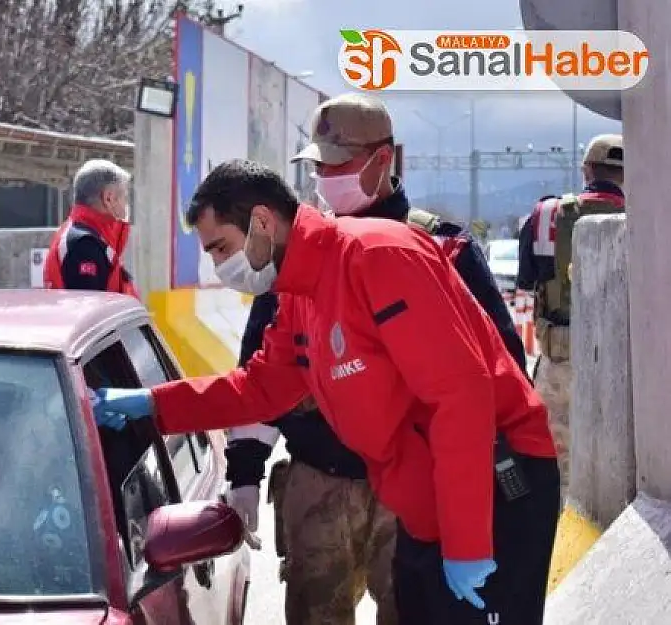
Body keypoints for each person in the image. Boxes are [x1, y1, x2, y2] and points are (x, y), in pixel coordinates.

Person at [90, 159, 561, 624]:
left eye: (220, 248)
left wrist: (468, 542)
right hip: (425, 504)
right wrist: (153, 404)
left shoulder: (378, 256)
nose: (218, 268)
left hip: (493, 486)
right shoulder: (299, 293)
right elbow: (260, 387)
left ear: (262, 222)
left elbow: (462, 397)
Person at [219, 93, 532, 625]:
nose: (324, 177)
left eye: (337, 164)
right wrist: (245, 470)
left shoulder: (444, 250)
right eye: (317, 165)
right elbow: (263, 373)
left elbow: (503, 371)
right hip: (319, 483)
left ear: (383, 160)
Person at [517, 133, 625, 495]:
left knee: (557, 480)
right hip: (626, 367)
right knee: (619, 480)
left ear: (586, 170)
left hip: (561, 360)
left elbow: (527, 280)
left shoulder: (546, 214)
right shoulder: (649, 215)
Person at [42, 159, 138, 297]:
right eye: (124, 196)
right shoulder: (84, 244)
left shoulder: (87, 238)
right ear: (109, 198)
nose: (126, 204)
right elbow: (91, 310)